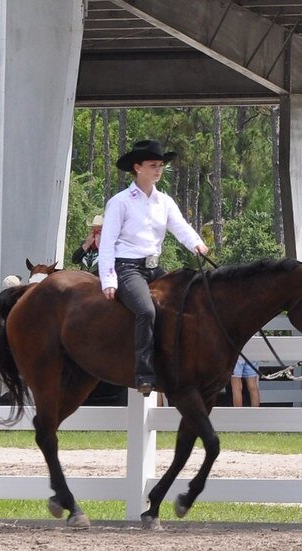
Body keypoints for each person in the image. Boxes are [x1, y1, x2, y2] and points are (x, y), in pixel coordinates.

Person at [98, 139, 209, 396]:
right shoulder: (120, 202)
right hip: (128, 268)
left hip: (155, 267)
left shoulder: (165, 202)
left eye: (160, 165)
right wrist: (108, 280)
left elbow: (180, 227)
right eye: (153, 165)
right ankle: (144, 374)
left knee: (188, 303)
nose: (158, 170)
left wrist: (197, 244)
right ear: (137, 168)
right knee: (146, 311)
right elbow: (107, 242)